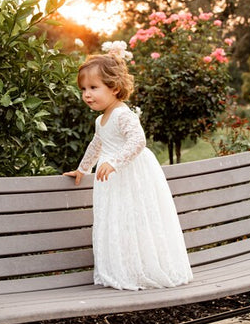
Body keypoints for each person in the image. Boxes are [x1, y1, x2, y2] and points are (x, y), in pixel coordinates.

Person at [64, 51, 193, 291]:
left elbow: (138, 141)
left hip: (131, 174)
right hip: (113, 180)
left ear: (114, 88)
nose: (87, 94)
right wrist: (82, 169)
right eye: (83, 89)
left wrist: (114, 163)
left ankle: (143, 267)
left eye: (93, 87)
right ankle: (122, 268)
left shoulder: (122, 114)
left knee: (135, 219)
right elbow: (97, 144)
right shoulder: (101, 120)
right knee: (116, 219)